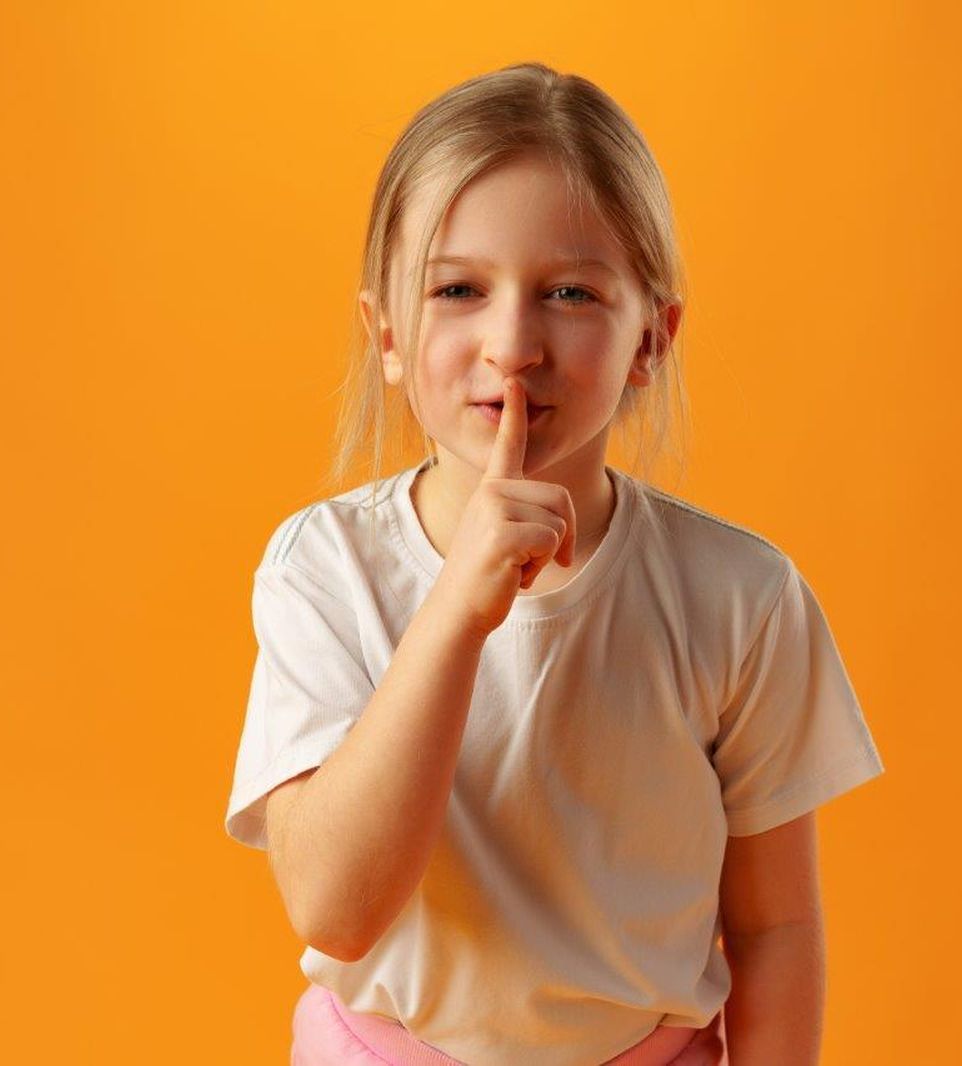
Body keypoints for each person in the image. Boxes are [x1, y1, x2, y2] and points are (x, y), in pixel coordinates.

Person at [224, 61, 885, 1066]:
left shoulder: (742, 600)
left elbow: (774, 928)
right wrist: (455, 609)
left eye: (570, 292)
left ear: (651, 340)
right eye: (458, 289)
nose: (512, 342)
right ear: (389, 335)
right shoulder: (325, 569)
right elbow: (334, 906)